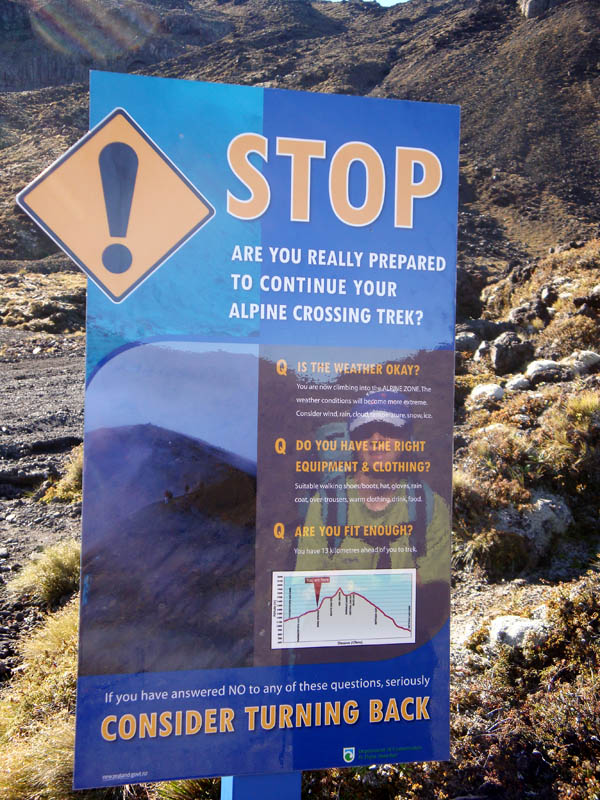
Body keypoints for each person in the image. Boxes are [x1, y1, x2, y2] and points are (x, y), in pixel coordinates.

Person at [295, 390, 449, 589]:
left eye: (388, 429)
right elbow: (306, 587)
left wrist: (348, 583)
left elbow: (437, 591)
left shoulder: (430, 507)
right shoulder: (327, 504)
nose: (376, 439)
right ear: (353, 442)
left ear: (406, 439)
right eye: (364, 431)